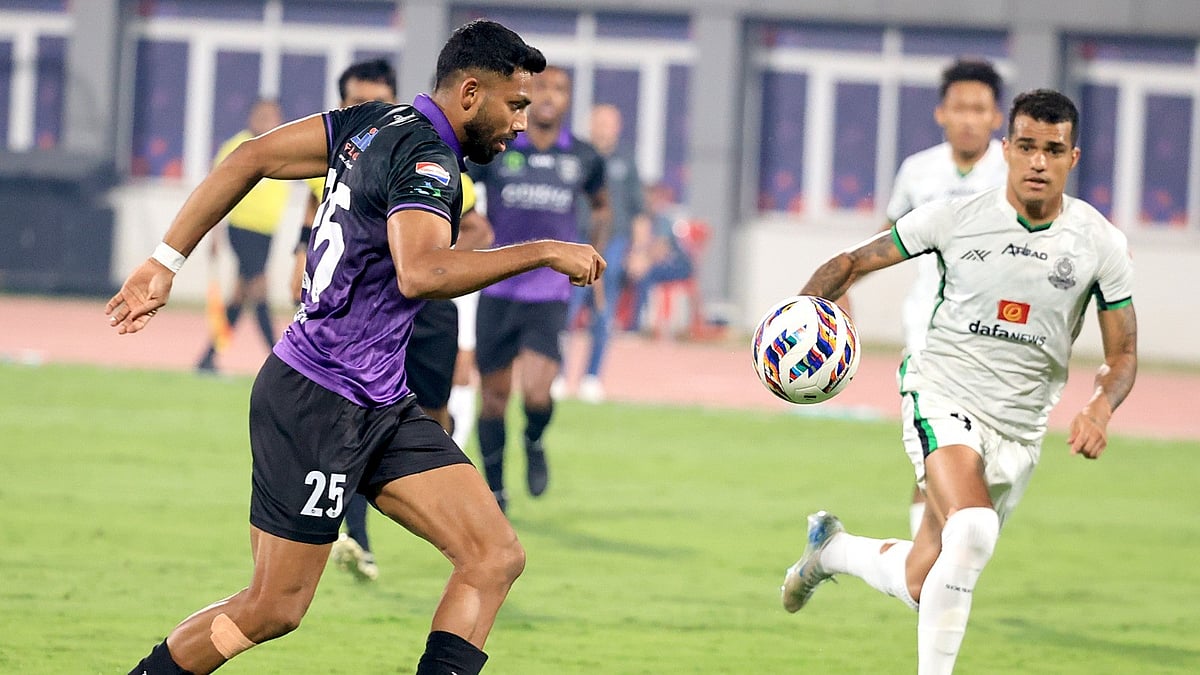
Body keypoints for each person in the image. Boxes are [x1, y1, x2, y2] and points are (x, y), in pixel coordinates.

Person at [108, 20, 604, 675]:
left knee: (494, 555)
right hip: (317, 400)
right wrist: (541, 251)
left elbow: (250, 157)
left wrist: (165, 260)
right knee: (273, 608)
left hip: (379, 401)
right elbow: (422, 272)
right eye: (513, 104)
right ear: (469, 93)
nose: (521, 120)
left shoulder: (368, 122)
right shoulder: (429, 158)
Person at [779, 89, 1137, 674]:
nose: (1038, 162)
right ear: (1007, 149)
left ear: (1073, 158)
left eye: (1053, 150)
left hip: (1020, 428)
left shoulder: (1101, 243)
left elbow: (1122, 354)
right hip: (941, 391)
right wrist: (798, 314)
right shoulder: (955, 217)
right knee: (972, 529)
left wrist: (1101, 405)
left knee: (925, 581)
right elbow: (850, 262)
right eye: (1027, 146)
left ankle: (831, 552)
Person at [292, 58, 495, 583]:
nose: (363, 109)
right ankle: (356, 534)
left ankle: (439, 509)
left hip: (427, 312)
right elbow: (311, 231)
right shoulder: (334, 161)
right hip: (356, 321)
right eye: (353, 101)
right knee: (355, 420)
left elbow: (478, 229)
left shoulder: (428, 158)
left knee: (433, 420)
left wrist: (426, 253)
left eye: (374, 100)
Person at [469, 65, 610, 512]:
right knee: (493, 399)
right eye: (541, 87)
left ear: (569, 98)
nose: (549, 96)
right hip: (496, 287)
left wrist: (593, 256)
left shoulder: (584, 157)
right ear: (526, 95)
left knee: (536, 393)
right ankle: (495, 491)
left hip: (549, 293)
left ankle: (533, 439)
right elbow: (462, 188)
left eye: (559, 89)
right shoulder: (501, 145)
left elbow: (601, 206)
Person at [884, 59, 1008, 538]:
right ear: (941, 113)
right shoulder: (918, 171)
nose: (969, 119)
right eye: (960, 107)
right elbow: (889, 236)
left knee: (981, 462)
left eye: (979, 109)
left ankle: (928, 558)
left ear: (996, 117)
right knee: (937, 449)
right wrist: (846, 283)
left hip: (997, 336)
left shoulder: (1015, 172)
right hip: (929, 331)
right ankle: (930, 562)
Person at [557, 103, 646, 403]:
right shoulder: (577, 155)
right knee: (567, 310)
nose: (604, 129)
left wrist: (639, 251)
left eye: (610, 123)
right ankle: (559, 374)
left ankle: (592, 377)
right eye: (599, 122)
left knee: (603, 313)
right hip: (577, 239)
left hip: (614, 244)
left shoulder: (626, 161)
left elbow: (638, 210)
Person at [195, 98, 287, 373]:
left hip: (267, 233)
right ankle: (279, 361)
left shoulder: (283, 145)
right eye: (262, 115)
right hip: (242, 230)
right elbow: (214, 190)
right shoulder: (237, 146)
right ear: (251, 117)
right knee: (259, 290)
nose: (267, 121)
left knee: (240, 296)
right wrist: (212, 235)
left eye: (272, 116)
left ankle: (208, 357)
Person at [625, 182, 694, 334]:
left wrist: (642, 262)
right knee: (631, 274)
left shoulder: (662, 220)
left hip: (678, 266)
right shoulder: (642, 220)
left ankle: (636, 325)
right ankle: (627, 321)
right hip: (657, 264)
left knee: (645, 275)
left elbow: (660, 251)